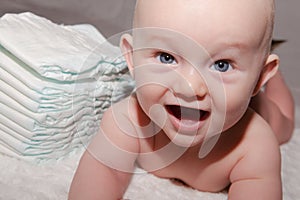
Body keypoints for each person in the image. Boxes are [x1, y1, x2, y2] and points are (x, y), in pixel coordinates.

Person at [68, 0, 295, 199]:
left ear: (259, 77)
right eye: (167, 58)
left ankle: (276, 80)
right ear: (132, 58)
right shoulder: (127, 121)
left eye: (221, 64)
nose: (189, 88)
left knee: (284, 122)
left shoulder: (254, 145)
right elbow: (103, 170)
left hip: (260, 110)